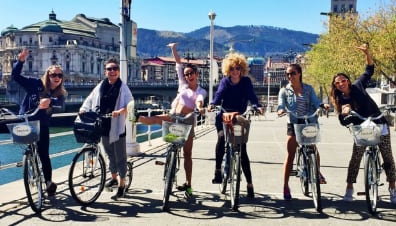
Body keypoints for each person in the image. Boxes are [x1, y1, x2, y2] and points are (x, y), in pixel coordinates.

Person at [330, 43, 396, 203]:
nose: (341, 84)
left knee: (387, 156)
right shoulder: (339, 99)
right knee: (356, 157)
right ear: (335, 86)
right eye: (337, 83)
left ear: (348, 80)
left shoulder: (358, 85)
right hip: (360, 128)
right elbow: (342, 121)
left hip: (378, 122)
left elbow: (369, 69)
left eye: (343, 80)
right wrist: (344, 113)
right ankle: (349, 189)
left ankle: (393, 189)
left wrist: (367, 53)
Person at [138, 43, 207, 198]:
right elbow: (178, 64)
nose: (189, 76)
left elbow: (199, 100)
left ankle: (189, 185)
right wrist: (173, 49)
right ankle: (135, 118)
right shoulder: (182, 84)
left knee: (187, 154)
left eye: (191, 73)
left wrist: (200, 107)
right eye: (187, 73)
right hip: (174, 116)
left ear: (196, 74)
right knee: (155, 119)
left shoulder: (201, 91)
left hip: (188, 121)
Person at [12, 48, 67, 196]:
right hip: (26, 120)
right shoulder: (36, 84)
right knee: (27, 148)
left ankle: (48, 182)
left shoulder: (60, 94)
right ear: (48, 75)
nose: (56, 77)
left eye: (59, 75)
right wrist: (20, 61)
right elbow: (16, 76)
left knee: (44, 153)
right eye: (53, 74)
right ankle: (28, 162)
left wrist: (49, 102)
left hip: (42, 125)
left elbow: (60, 105)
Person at [207, 52, 263, 198]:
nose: (235, 71)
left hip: (240, 118)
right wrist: (213, 104)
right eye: (232, 69)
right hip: (224, 117)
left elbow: (252, 96)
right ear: (228, 70)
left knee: (242, 150)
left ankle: (250, 184)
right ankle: (218, 170)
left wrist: (257, 106)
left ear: (242, 69)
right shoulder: (225, 82)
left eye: (238, 68)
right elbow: (218, 95)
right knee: (221, 138)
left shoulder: (246, 82)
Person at [79, 58, 133, 199]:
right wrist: (83, 109)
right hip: (103, 124)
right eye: (109, 69)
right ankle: (114, 177)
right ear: (105, 72)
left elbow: (130, 104)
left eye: (115, 68)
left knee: (120, 157)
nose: (112, 71)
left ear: (118, 72)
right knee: (109, 154)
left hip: (117, 125)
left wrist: (120, 111)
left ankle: (122, 185)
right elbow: (90, 99)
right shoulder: (100, 85)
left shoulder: (123, 87)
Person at [277, 63, 329, 201]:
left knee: (313, 149)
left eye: (293, 73)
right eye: (288, 74)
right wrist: (281, 110)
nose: (290, 76)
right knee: (290, 154)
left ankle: (316, 172)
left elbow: (316, 101)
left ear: (299, 74)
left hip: (309, 122)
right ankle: (285, 186)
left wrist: (322, 105)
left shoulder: (308, 89)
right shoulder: (284, 91)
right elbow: (281, 104)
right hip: (293, 123)